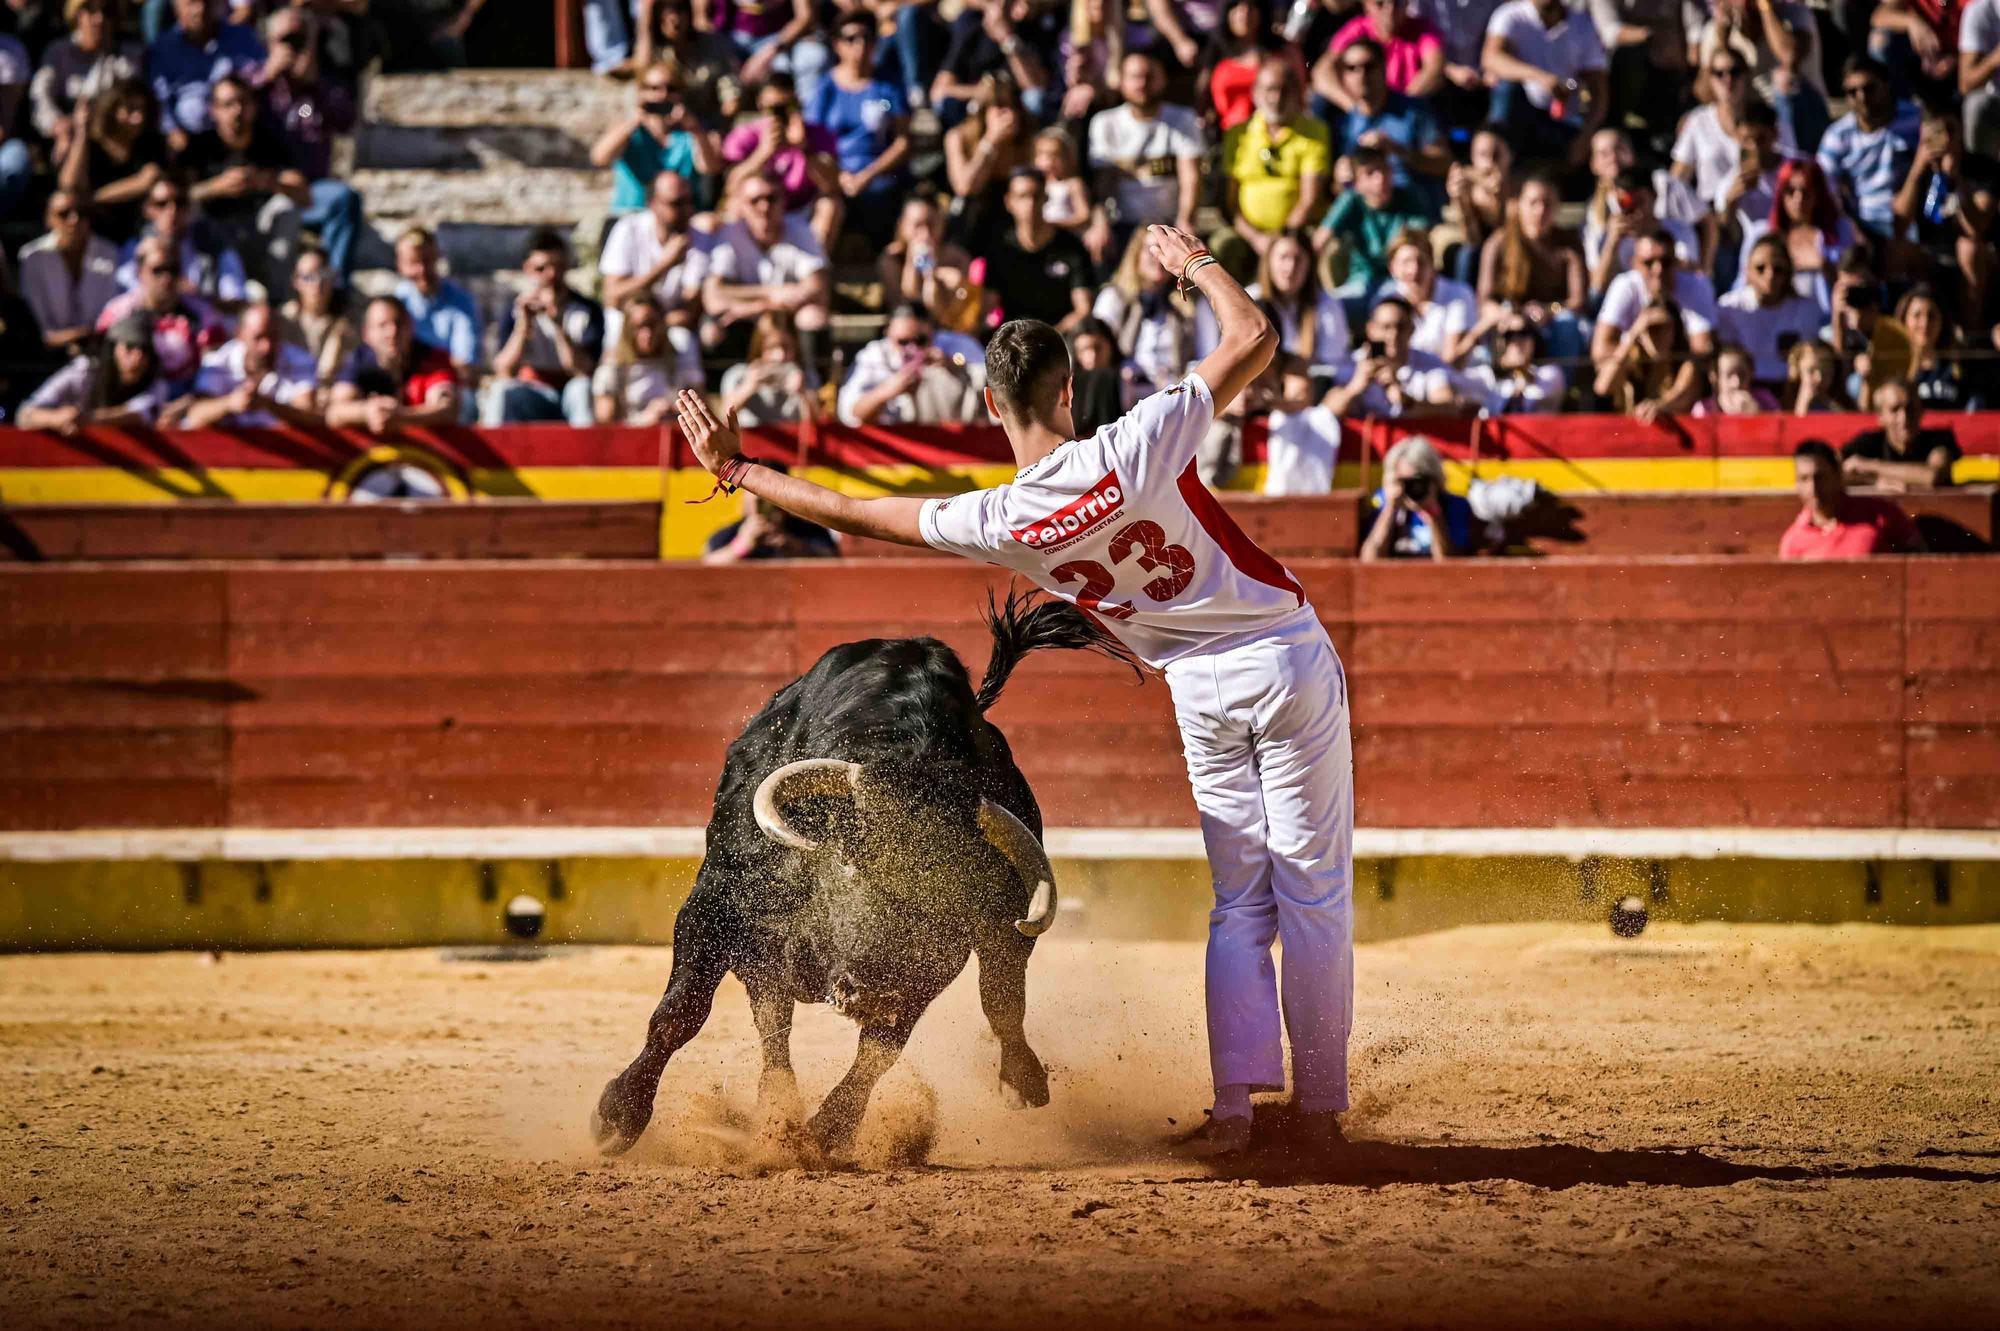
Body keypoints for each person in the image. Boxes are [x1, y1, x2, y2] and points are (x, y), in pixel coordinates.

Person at [673, 221, 1357, 1159]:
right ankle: (1317, 1104)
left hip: (1196, 690)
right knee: (1311, 889)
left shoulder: (997, 518)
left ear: (992, 403)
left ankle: (1238, 1107)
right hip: (1282, 655)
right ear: (1068, 390)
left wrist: (738, 469)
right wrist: (1195, 266)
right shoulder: (1138, 441)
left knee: (1241, 900)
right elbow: (1254, 338)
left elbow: (854, 511)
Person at [255, 6, 362, 280]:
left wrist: (313, 86)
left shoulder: (314, 95)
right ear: (269, 42)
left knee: (344, 199)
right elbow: (230, 114)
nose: (293, 47)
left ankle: (334, 286)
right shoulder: (255, 87)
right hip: (262, 189)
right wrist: (267, 76)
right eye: (285, 40)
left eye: (300, 39)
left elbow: (345, 121)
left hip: (310, 192)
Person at [179, 74, 309, 298]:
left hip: (259, 233)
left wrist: (269, 182)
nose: (237, 110)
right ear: (214, 110)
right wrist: (216, 187)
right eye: (228, 104)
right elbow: (177, 193)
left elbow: (305, 196)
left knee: (286, 208)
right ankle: (206, 298)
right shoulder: (200, 147)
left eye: (243, 102)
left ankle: (280, 298)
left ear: (254, 106)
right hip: (215, 235)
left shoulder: (269, 142)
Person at [1211, 56, 1331, 277]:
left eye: (1284, 90)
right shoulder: (1238, 134)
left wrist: (1280, 240)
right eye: (1270, 90)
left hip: (1297, 232)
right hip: (1248, 234)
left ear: (1298, 93)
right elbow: (1230, 201)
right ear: (1255, 93)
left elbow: (1308, 199)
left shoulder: (1315, 132)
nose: (1277, 98)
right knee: (1221, 246)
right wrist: (1255, 237)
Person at [699, 171, 831, 363]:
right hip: (746, 319)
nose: (764, 207)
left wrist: (758, 304)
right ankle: (725, 386)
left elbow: (817, 288)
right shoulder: (730, 233)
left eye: (771, 198)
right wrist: (770, 298)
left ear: (783, 201)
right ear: (742, 205)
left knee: (813, 317)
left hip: (786, 320)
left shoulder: (800, 229)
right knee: (711, 330)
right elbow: (712, 297)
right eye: (755, 200)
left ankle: (815, 384)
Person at [806, 14, 909, 246]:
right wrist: (839, 175)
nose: (860, 45)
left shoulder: (889, 86)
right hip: (835, 177)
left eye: (867, 37)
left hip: (879, 177)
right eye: (851, 38)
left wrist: (868, 175)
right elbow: (812, 137)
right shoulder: (826, 86)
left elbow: (903, 141)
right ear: (837, 44)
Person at [484, 228, 605, 426]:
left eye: (557, 266)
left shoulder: (587, 310)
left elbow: (583, 370)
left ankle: (585, 455)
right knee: (501, 391)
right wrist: (524, 326)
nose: (551, 275)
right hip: (533, 392)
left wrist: (557, 324)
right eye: (541, 269)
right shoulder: (514, 308)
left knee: (581, 388)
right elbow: (503, 369)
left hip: (569, 393)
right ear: (528, 269)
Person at [1324, 36, 1450, 215]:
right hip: (1369, 221)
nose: (1362, 75)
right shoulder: (1344, 124)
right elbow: (1338, 191)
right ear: (1343, 76)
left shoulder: (1414, 111)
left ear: (1384, 67)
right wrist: (1340, 180)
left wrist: (1397, 150)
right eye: (1352, 68)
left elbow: (1444, 163)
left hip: (1416, 214)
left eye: (1369, 67)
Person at [1088, 50, 1204, 243]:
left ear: (1163, 80)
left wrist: (1186, 219)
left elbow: (1190, 176)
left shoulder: (1183, 118)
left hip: (1170, 225)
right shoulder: (1105, 123)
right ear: (1122, 81)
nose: (1142, 84)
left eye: (1149, 77)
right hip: (1123, 225)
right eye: (1135, 77)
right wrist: (1100, 221)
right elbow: (1103, 182)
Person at [722, 74, 843, 248]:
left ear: (797, 104)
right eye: (773, 108)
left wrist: (804, 149)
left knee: (831, 204)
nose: (779, 114)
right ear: (760, 105)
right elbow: (731, 187)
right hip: (759, 210)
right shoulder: (745, 135)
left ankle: (815, 266)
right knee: (734, 205)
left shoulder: (818, 134)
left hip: (800, 210)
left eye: (786, 107)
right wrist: (763, 152)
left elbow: (832, 185)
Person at [1482, 0, 1609, 165]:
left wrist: (1586, 135)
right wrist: (1538, 77)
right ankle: (1495, 161)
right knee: (1506, 87)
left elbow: (1598, 88)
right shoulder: (1510, 15)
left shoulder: (1583, 23)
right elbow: (1491, 58)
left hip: (1564, 119)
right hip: (1520, 114)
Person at [1476, 171, 1586, 359]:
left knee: (1568, 323)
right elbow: (1484, 300)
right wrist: (1508, 315)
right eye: (1533, 202)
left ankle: (1557, 381)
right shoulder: (1498, 242)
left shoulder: (1568, 244)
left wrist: (1549, 310)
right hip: (1508, 319)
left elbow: (1578, 302)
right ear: (1519, 204)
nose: (1540, 210)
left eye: (1548, 204)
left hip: (1551, 322)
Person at [591, 61, 722, 218]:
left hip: (678, 220)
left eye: (671, 88)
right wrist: (636, 120)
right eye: (654, 88)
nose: (663, 95)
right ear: (641, 92)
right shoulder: (629, 131)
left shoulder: (690, 134)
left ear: (681, 94)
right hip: (631, 215)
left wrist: (696, 130)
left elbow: (710, 168)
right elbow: (599, 158)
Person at [93, 233, 223, 384]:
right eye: (158, 270)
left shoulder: (202, 313)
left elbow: (216, 365)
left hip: (189, 395)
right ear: (139, 272)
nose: (167, 278)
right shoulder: (118, 313)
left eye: (173, 269)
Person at [1817, 54, 1920, 242]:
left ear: (1886, 85)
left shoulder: (1915, 119)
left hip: (1919, 214)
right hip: (1865, 224)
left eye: (1869, 88)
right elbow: (1824, 187)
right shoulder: (1838, 136)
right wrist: (1849, 226)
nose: (1862, 97)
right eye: (1852, 92)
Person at [326, 294, 462, 433]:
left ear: (411, 326)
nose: (392, 332)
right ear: (367, 334)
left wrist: (401, 416)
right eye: (382, 325)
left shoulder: (432, 359)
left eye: (399, 323)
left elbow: (447, 409)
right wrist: (367, 412)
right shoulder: (358, 361)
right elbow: (334, 412)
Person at [29, 0, 141, 167]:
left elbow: (131, 101)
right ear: (77, 16)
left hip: (109, 140)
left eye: (106, 11)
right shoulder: (58, 52)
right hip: (68, 139)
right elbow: (40, 97)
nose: (99, 19)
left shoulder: (127, 56)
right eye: (90, 10)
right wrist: (58, 125)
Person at [17, 312, 171, 432]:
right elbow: (24, 414)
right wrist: (55, 418)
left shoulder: (155, 383)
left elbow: (138, 413)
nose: (138, 357)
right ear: (113, 351)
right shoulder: (83, 372)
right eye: (130, 348)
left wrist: (85, 419)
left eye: (145, 350)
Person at [1322, 295, 1471, 418]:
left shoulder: (1429, 364)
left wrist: (1405, 401)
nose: (1393, 335)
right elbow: (1325, 414)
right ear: (1371, 330)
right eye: (1385, 327)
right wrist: (1355, 387)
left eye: (1400, 327)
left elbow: (1450, 408)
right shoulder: (1352, 364)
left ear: (1412, 329)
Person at [836, 302, 984, 426]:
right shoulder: (873, 355)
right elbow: (850, 415)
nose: (912, 348)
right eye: (903, 342)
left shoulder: (956, 343)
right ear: (888, 333)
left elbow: (989, 377)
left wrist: (953, 365)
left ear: (933, 332)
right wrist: (888, 391)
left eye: (920, 341)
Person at [983, 167, 1095, 330]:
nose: (1030, 204)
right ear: (1009, 202)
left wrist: (1051, 336)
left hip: (1061, 340)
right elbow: (988, 307)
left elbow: (1083, 309)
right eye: (1022, 196)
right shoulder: (1000, 249)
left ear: (1046, 198)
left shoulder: (1071, 247)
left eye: (1036, 195)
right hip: (1013, 340)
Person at [59, 76, 166, 244]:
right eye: (130, 110)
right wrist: (82, 133)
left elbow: (147, 180)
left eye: (142, 110)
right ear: (112, 109)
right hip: (91, 230)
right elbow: (69, 185)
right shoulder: (92, 144)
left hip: (136, 229)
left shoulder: (150, 143)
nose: (138, 118)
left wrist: (93, 199)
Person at [1317, 145, 1432, 300]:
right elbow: (1320, 239)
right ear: (1356, 183)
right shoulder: (1350, 200)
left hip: (1402, 282)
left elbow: (1420, 240)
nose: (1380, 179)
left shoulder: (1409, 197)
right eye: (1370, 173)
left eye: (1385, 170)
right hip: (1360, 283)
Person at [180, 301, 320, 428]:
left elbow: (308, 416)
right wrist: (230, 403)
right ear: (240, 334)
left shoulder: (299, 359)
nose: (266, 346)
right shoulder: (218, 361)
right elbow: (195, 414)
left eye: (273, 336)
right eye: (258, 337)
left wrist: (266, 404)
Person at [1092, 226, 1195, 394]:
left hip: (1174, 393)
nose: (1158, 258)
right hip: (1123, 393)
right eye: (1151, 250)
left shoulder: (1186, 304)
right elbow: (1096, 349)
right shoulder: (1114, 297)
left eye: (1163, 251)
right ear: (1136, 255)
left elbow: (1203, 354)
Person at [17, 188, 121, 353]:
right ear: (48, 219)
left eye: (82, 213)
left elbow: (112, 312)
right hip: (46, 354)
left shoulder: (109, 253)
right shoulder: (32, 257)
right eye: (63, 214)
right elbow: (37, 326)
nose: (74, 220)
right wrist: (72, 337)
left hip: (101, 349)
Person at [1780, 439, 1921, 558]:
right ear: (1796, 484)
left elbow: (1919, 558)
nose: (1813, 488)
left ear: (1837, 475)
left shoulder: (1879, 513)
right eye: (1804, 479)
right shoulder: (1793, 541)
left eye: (1820, 477)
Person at [150, 0, 264, 144]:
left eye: (207, 2)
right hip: (190, 143)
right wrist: (172, 131)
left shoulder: (242, 36)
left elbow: (259, 76)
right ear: (176, 7)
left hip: (242, 135)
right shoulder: (163, 49)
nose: (200, 9)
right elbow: (161, 98)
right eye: (191, 3)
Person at [943, 70, 1035, 249]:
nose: (1008, 114)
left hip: (1017, 220)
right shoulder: (958, 137)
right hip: (974, 221)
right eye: (1000, 106)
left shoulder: (1027, 140)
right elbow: (965, 187)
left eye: (1013, 106)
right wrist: (991, 140)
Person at [1716, 234, 1823, 385]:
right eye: (1760, 268)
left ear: (1788, 272)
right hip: (1746, 386)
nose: (1770, 275)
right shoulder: (1729, 307)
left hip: (1791, 388)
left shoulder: (1807, 309)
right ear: (1747, 271)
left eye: (1778, 269)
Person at [593, 292, 704, 425]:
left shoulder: (681, 358)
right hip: (631, 440)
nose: (647, 334)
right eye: (639, 327)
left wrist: (676, 412)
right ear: (627, 329)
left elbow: (703, 411)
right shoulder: (612, 366)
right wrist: (645, 420)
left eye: (652, 325)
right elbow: (605, 426)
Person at [1359, 434, 1474, 559]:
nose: (1411, 488)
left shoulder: (1454, 506)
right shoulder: (1384, 502)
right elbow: (1369, 560)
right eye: (1403, 482)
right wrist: (1390, 509)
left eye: (1417, 482)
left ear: (1434, 479)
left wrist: (1434, 514)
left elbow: (1448, 565)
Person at [391, 225, 481, 384]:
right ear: (400, 264)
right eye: (413, 262)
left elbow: (465, 366)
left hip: (448, 384)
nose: (422, 270)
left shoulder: (461, 301)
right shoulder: (395, 303)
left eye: (427, 261)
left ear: (437, 258)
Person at [878, 194, 980, 334]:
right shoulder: (891, 259)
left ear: (942, 224)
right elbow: (904, 303)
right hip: (909, 334)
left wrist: (932, 275)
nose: (925, 234)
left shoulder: (957, 258)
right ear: (902, 226)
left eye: (931, 225)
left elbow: (960, 312)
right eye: (917, 225)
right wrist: (911, 264)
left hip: (948, 331)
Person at [1378, 227, 1477, 364]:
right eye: (1406, 262)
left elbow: (1452, 361)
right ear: (1392, 267)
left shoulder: (1459, 294)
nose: (1414, 270)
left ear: (1432, 264)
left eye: (1421, 261)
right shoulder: (1386, 301)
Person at [1841, 379, 1961, 488]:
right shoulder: (1868, 441)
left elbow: (1932, 476)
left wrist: (1869, 466)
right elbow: (1833, 472)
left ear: (1921, 411)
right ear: (1880, 416)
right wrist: (1874, 481)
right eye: (1894, 409)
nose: (1904, 418)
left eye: (1910, 408)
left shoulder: (1940, 438)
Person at [717, 310, 818, 428]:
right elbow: (722, 418)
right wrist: (748, 387)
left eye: (786, 347)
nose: (780, 356)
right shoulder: (737, 375)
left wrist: (803, 395)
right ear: (759, 347)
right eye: (772, 347)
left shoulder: (805, 376)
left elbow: (816, 426)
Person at [279, 243, 355, 398]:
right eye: (308, 277)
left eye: (323, 275)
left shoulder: (346, 326)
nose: (317, 284)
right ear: (296, 281)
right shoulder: (283, 319)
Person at [701, 484, 840, 564]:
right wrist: (741, 546)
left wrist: (794, 547)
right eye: (758, 501)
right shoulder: (729, 534)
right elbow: (706, 565)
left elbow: (834, 562)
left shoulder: (809, 531)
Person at [1896, 284, 1981, 411]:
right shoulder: (1892, 364)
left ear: (1942, 322)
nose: (1925, 323)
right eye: (1917, 315)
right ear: (1904, 320)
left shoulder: (1959, 363)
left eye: (1931, 316)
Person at [1462, 312, 1568, 412]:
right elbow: (1450, 376)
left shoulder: (1549, 373)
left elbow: (1540, 398)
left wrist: (1521, 373)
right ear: (1499, 343)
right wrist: (1481, 328)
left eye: (1524, 333)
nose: (1517, 341)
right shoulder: (1486, 377)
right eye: (1509, 335)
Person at [1693, 343, 1780, 414]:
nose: (1736, 383)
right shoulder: (1703, 409)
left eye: (1742, 374)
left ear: (1751, 373)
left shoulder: (1766, 400)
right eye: (1728, 375)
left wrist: (1758, 414)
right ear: (1715, 377)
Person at [1966, 0, 2000, 156]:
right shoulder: (1980, 11)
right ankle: (1983, 175)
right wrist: (1994, 60)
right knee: (1976, 104)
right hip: (1995, 99)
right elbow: (1965, 83)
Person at [1785, 336, 1846, 413]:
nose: (1819, 378)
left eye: (1826, 371)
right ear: (1797, 372)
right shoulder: (1782, 403)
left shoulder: (1840, 405)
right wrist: (1803, 404)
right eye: (1811, 370)